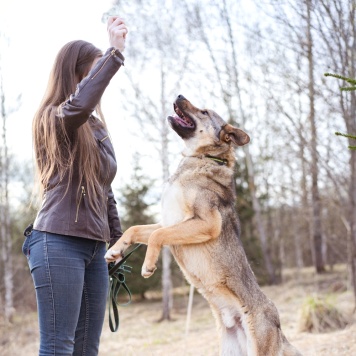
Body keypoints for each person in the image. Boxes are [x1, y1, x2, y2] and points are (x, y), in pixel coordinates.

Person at [22, 16, 128, 356]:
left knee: (86, 349)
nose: (100, 86)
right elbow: (78, 105)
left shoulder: (95, 127)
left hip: (95, 248)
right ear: (76, 75)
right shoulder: (53, 117)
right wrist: (113, 54)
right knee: (58, 347)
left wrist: (117, 240)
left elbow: (103, 188)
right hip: (58, 241)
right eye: (94, 74)